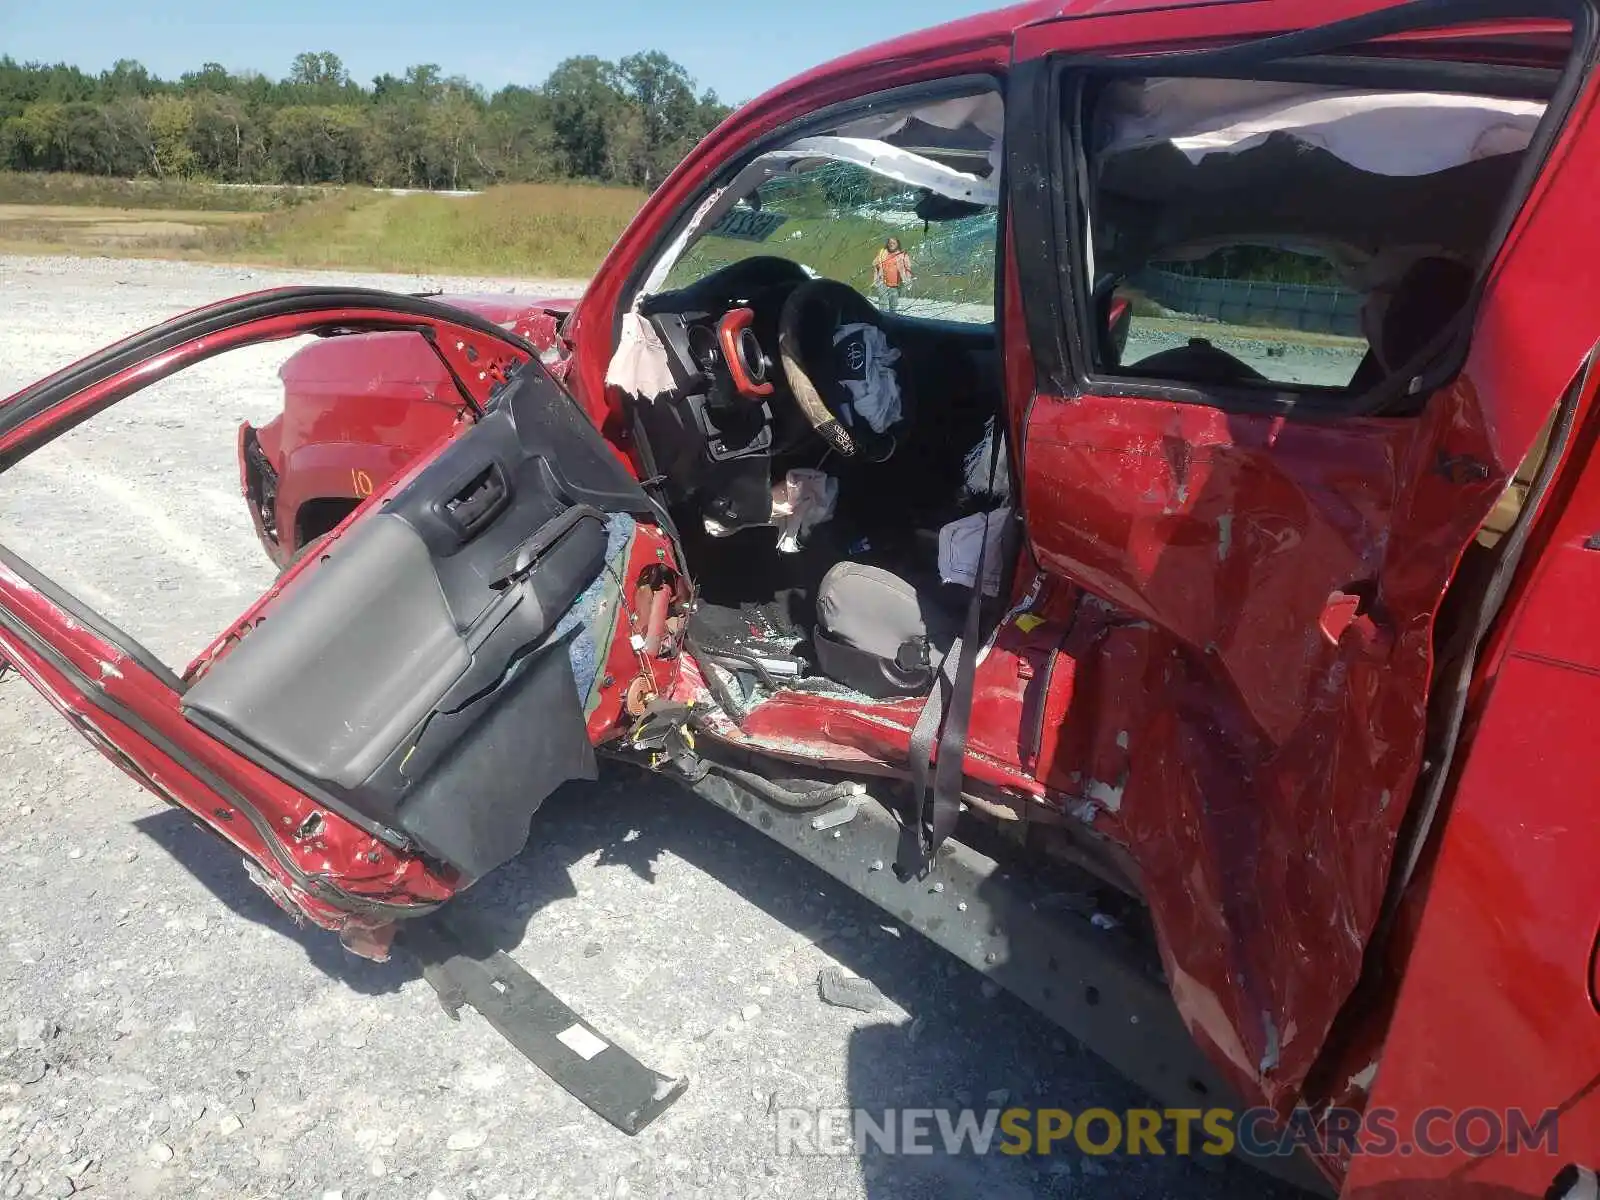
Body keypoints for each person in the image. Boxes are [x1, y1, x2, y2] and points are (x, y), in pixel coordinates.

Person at [873, 237, 914, 312]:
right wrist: (876, 279)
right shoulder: (882, 252)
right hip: (882, 283)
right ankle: (883, 321)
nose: (891, 245)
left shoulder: (903, 255)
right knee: (883, 305)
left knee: (893, 306)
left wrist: (908, 281)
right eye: (890, 243)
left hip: (896, 285)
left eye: (893, 243)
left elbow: (908, 269)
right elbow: (875, 265)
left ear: (897, 244)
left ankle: (891, 321)